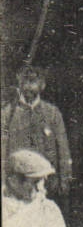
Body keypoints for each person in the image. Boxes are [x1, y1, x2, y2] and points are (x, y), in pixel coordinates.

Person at [2, 67, 73, 197]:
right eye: (25, 82)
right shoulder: (7, 114)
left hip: (48, 184)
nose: (28, 87)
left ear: (42, 85)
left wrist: (64, 180)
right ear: (19, 84)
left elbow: (63, 149)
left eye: (33, 82)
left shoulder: (52, 113)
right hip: (19, 185)